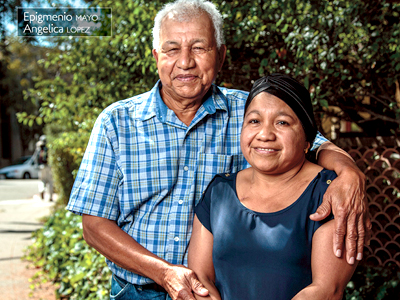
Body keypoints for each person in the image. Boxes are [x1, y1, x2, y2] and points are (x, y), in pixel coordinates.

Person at [66, 1, 369, 299]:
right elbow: (94, 225)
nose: (185, 62)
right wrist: (164, 272)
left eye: (199, 48)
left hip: (220, 292)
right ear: (157, 56)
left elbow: (314, 144)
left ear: (221, 56)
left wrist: (350, 174)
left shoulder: (250, 114)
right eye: (172, 49)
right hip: (138, 290)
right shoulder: (116, 122)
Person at [188, 73, 358, 300]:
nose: (265, 134)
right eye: (254, 121)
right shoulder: (219, 191)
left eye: (282, 123)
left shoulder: (330, 193)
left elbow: (327, 290)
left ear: (308, 139)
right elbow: (201, 279)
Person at [36, 135, 53, 201]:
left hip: (41, 166)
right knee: (50, 181)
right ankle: (50, 197)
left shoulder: (39, 148)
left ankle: (42, 190)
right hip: (48, 166)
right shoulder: (48, 147)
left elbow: (37, 158)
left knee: (42, 180)